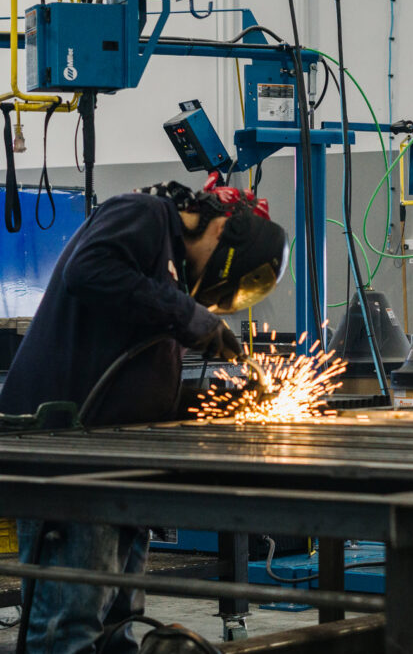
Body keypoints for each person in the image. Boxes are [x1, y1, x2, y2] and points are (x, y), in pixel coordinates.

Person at [0, 173, 287, 653]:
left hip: (115, 465)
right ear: (222, 233)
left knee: (117, 628)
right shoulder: (142, 214)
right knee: (68, 632)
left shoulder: (167, 284)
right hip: (70, 460)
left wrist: (222, 402)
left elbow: (137, 379)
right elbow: (89, 270)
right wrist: (194, 319)